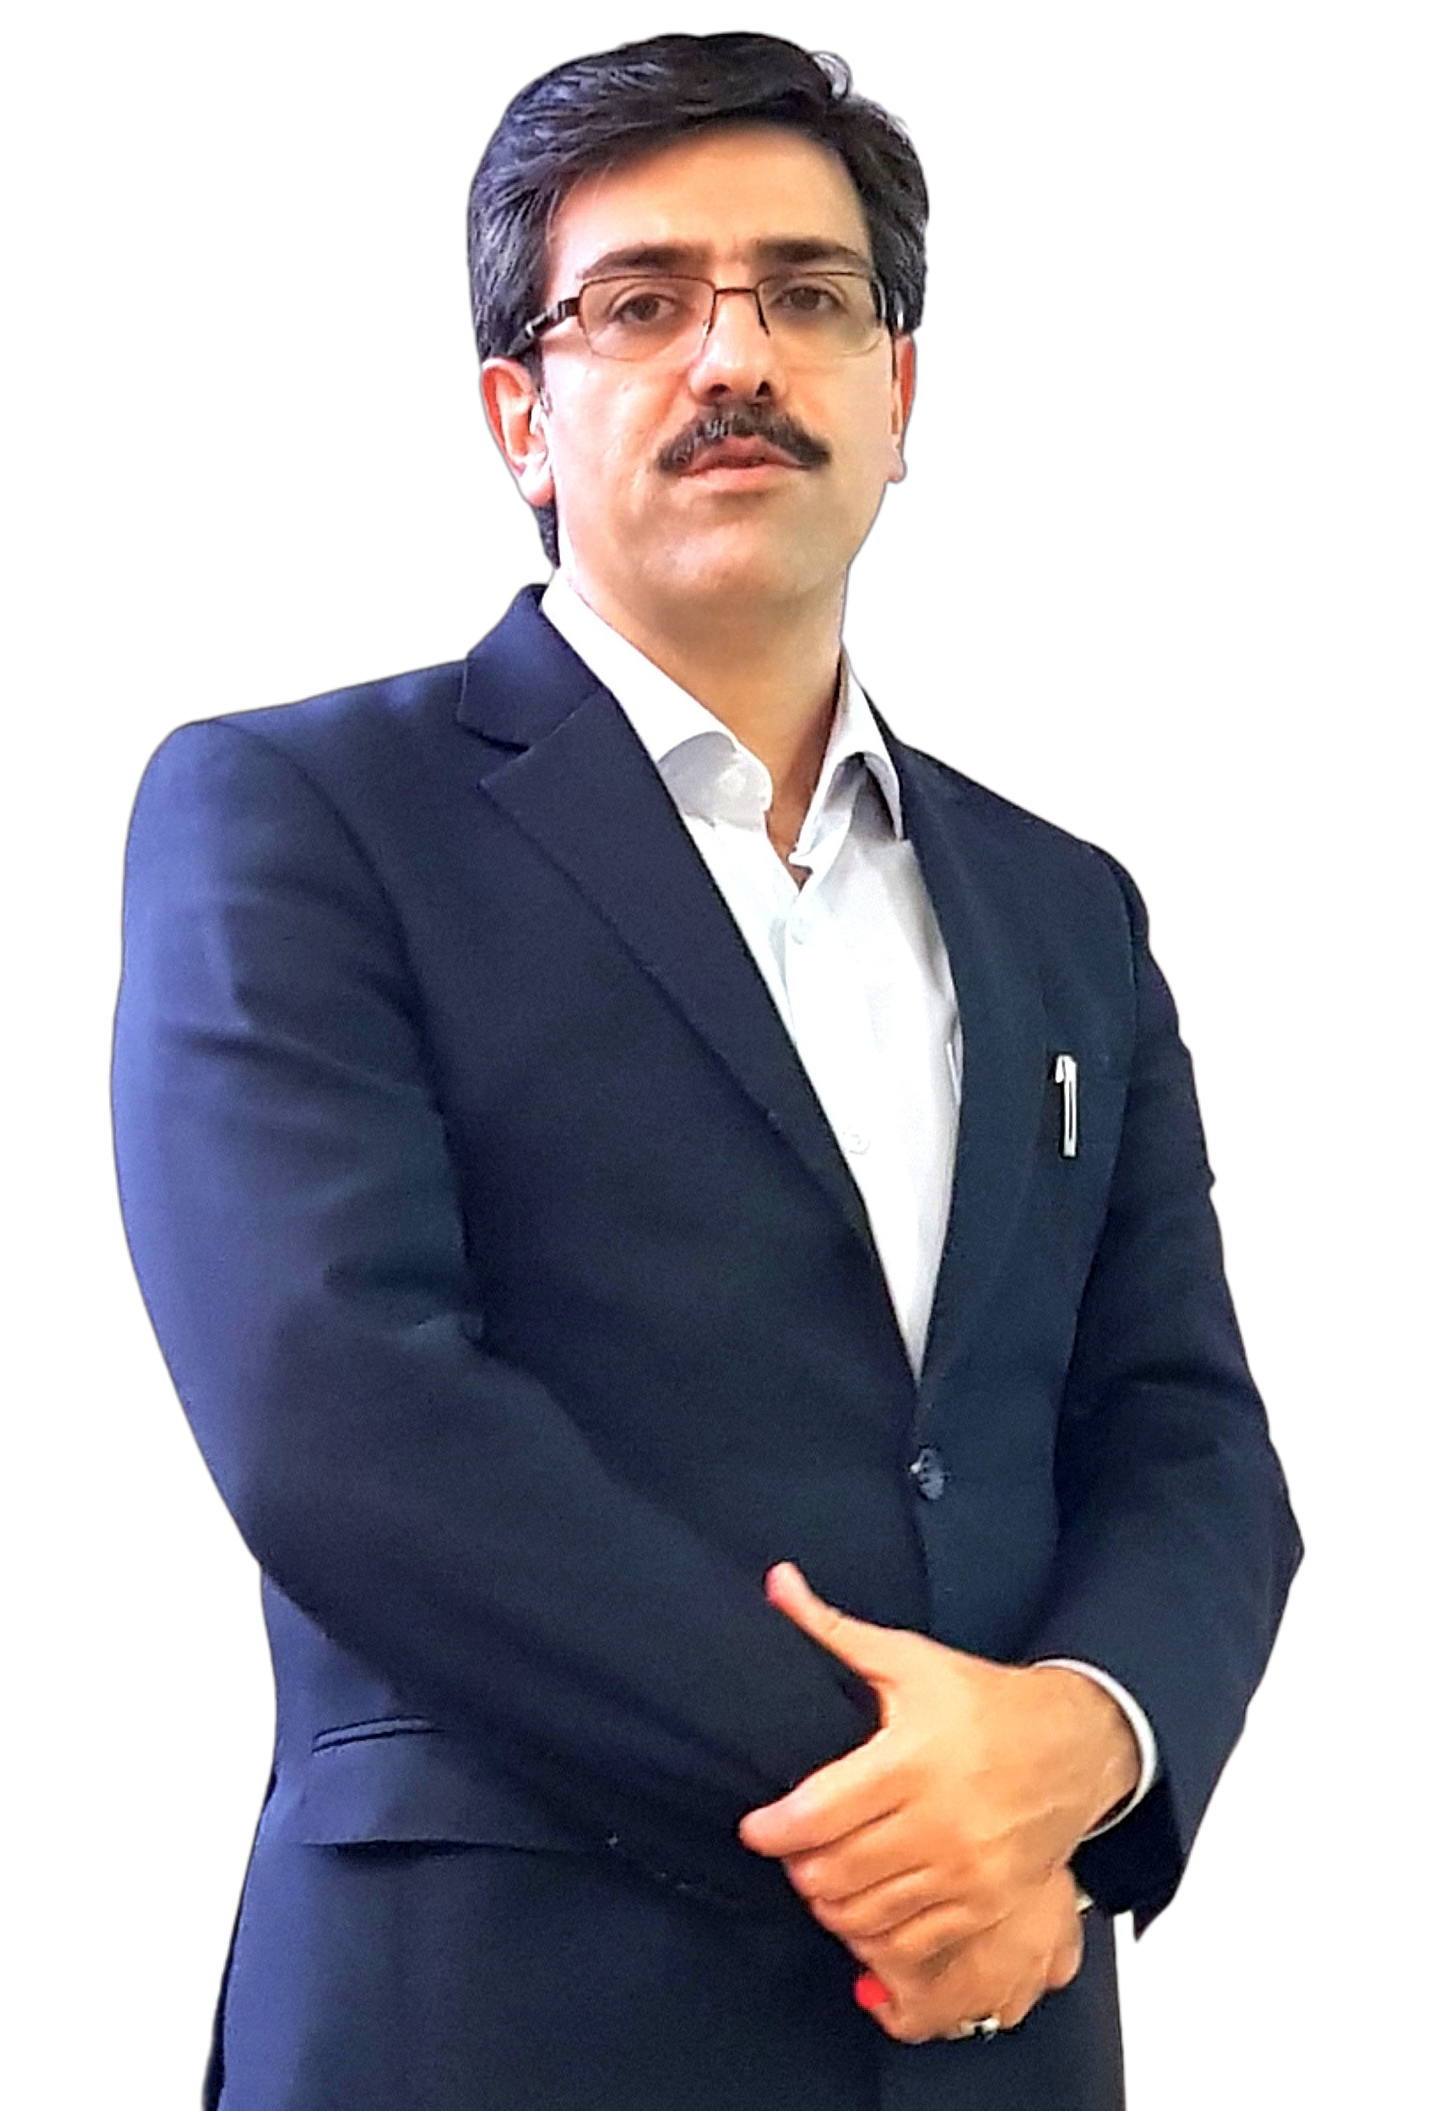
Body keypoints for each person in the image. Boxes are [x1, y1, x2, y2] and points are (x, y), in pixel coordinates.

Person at [112, 32, 1298, 2111]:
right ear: (521, 417)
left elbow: (1184, 1429)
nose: (734, 354)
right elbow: (341, 1407)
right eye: (642, 301)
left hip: (1000, 2037)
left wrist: (1089, 1742)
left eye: (806, 295)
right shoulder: (299, 810)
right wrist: (932, 1823)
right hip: (497, 2013)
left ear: (897, 395)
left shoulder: (1065, 909)